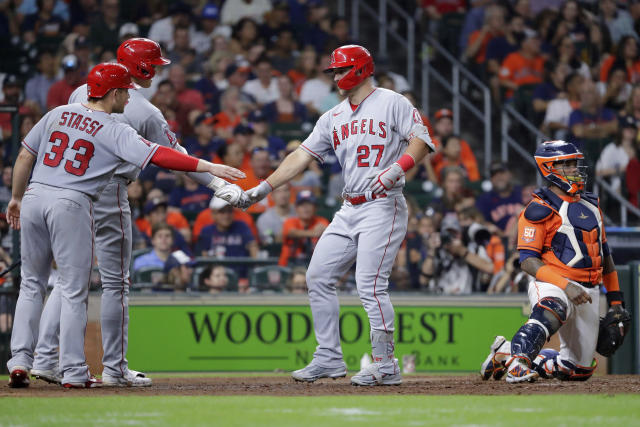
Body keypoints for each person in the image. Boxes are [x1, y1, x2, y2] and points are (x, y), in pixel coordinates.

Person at [6, 62, 244, 389]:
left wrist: (16, 197)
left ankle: (20, 360)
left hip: (34, 195)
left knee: (33, 284)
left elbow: (23, 157)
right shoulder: (115, 129)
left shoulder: (59, 111)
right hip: (73, 201)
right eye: (125, 92)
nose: (129, 97)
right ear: (115, 92)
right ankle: (75, 372)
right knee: (76, 290)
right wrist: (210, 167)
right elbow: (162, 156)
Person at [234, 45, 434, 386]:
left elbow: (422, 141)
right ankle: (328, 358)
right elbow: (300, 156)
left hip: (383, 203)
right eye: (335, 72)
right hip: (349, 207)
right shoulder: (333, 116)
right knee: (318, 276)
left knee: (370, 286)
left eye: (341, 70)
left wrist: (396, 168)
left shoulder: (392, 101)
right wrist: (263, 188)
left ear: (361, 69)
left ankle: (386, 365)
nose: (337, 77)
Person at [480, 141, 628, 383]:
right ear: (549, 168)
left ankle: (505, 352)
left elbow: (605, 257)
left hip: (588, 290)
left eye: (575, 163)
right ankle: (518, 363)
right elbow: (528, 261)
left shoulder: (592, 205)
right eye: (567, 164)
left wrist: (616, 300)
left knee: (578, 370)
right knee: (552, 307)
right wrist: (566, 285)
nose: (575, 169)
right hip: (553, 282)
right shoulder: (537, 209)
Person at [278, 190, 328, 266]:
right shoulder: (290, 221)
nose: (306, 207)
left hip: (314, 266)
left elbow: (326, 231)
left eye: (309, 204)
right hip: (289, 268)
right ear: (296, 208)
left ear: (315, 207)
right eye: (302, 204)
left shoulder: (321, 220)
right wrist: (314, 233)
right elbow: (292, 232)